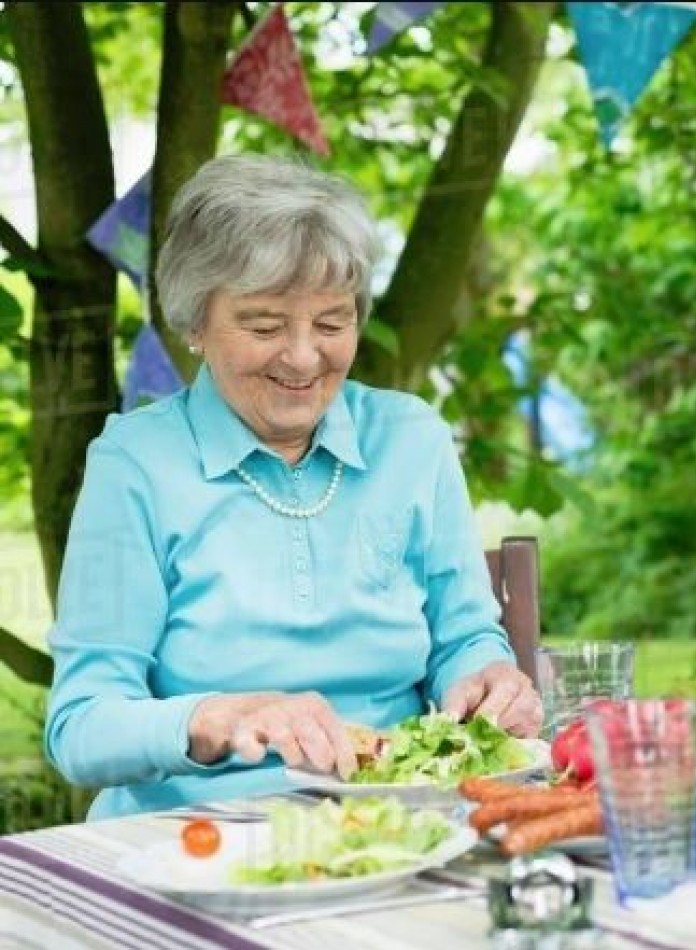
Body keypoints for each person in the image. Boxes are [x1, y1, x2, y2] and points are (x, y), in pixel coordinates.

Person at [44, 155, 543, 819]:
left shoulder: (411, 439)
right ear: (194, 324)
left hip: (396, 821)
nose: (305, 357)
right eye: (265, 326)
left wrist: (487, 679)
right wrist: (210, 719)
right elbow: (80, 727)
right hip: (194, 840)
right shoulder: (136, 464)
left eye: (333, 323)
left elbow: (464, 639)